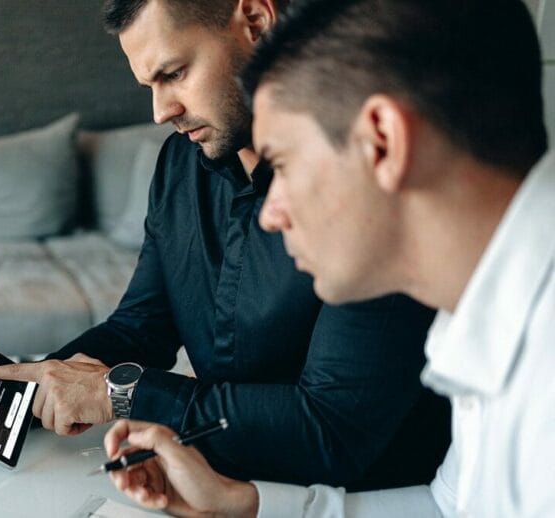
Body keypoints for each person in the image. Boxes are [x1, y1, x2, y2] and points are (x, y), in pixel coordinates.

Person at [0, 0, 450, 488]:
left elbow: (332, 433)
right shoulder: (183, 163)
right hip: (213, 487)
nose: (161, 112)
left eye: (174, 73)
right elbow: (141, 329)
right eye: (150, 85)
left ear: (254, 19)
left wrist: (123, 394)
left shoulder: (368, 180)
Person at [104, 0, 553, 515]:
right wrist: (245, 506)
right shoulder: (477, 316)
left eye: (283, 162)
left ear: (382, 142)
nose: (268, 214)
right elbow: (449, 506)